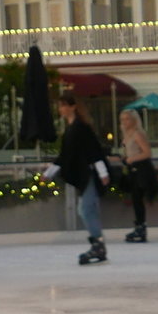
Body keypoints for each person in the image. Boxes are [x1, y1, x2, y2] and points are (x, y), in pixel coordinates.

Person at [48, 94, 111, 266]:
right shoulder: (70, 129)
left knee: (86, 209)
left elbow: (94, 151)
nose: (60, 109)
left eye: (63, 106)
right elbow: (65, 155)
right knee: (86, 209)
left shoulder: (81, 128)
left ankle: (98, 245)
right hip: (84, 175)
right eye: (59, 106)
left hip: (90, 174)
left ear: (73, 107)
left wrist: (103, 173)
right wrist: (49, 173)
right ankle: (98, 244)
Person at [116, 108, 158, 243]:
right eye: (122, 119)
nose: (124, 121)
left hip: (141, 169)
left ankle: (141, 227)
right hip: (132, 169)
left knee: (138, 198)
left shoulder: (137, 134)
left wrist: (131, 159)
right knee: (135, 199)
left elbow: (147, 152)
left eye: (127, 119)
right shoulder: (127, 134)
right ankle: (139, 225)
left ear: (134, 120)